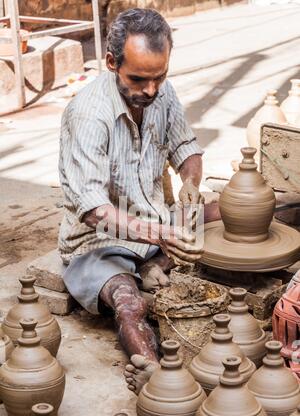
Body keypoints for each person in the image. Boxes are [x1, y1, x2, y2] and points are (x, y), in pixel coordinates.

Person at [58, 8, 219, 394]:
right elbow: (95, 210)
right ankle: (155, 373)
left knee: (233, 209)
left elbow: (186, 148)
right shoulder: (88, 114)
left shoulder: (161, 93)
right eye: (138, 79)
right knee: (129, 303)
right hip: (98, 243)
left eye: (159, 77)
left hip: (156, 224)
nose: (150, 89)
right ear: (112, 63)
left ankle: (155, 264)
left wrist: (191, 183)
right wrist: (161, 233)